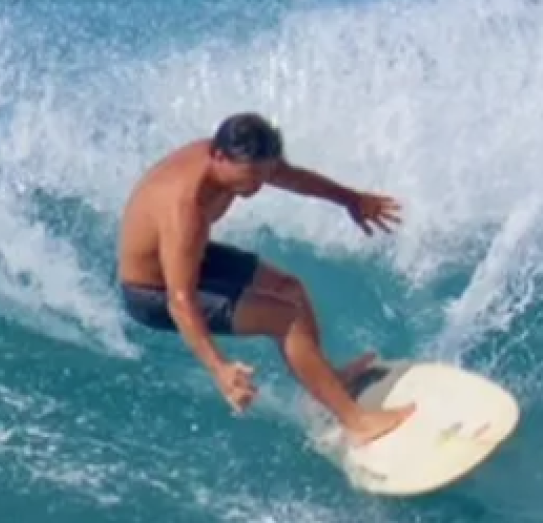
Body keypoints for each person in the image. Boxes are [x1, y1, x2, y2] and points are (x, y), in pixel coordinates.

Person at [116, 112, 416, 446]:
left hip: (191, 258)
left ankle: (325, 386)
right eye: (250, 177)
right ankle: (357, 422)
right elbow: (180, 299)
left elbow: (293, 179)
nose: (257, 187)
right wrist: (220, 369)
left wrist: (351, 199)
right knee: (283, 317)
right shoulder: (185, 209)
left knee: (290, 289)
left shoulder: (234, 158)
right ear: (218, 156)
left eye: (264, 175)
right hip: (151, 292)